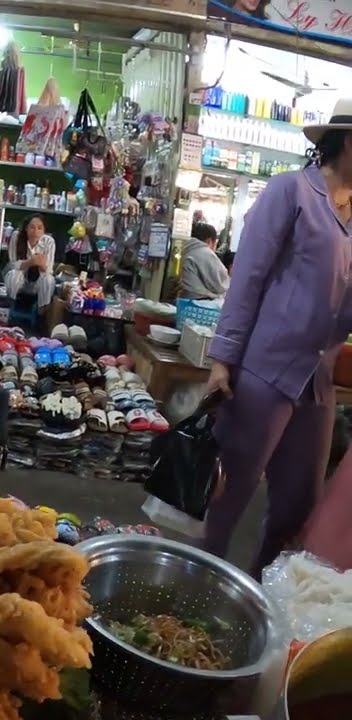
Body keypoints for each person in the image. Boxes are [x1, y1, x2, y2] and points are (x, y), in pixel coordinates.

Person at [202, 98, 352, 577]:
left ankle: (263, 600)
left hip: (318, 381)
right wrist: (223, 358)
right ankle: (195, 587)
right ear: (348, 142)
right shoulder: (292, 192)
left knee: (297, 506)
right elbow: (248, 276)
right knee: (228, 493)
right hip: (264, 370)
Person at [3, 215, 56, 309]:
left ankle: (42, 311)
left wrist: (41, 264)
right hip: (20, 280)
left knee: (48, 279)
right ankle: (9, 307)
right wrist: (30, 262)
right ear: (26, 228)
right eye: (32, 227)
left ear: (44, 231)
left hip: (37, 282)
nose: (35, 232)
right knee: (13, 275)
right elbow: (12, 264)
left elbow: (48, 270)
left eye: (40, 228)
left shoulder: (49, 241)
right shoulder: (17, 236)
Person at [179, 222, 230, 300]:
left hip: (187, 300)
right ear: (209, 241)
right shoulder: (205, 252)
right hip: (201, 303)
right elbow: (221, 285)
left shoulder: (188, 250)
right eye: (215, 243)